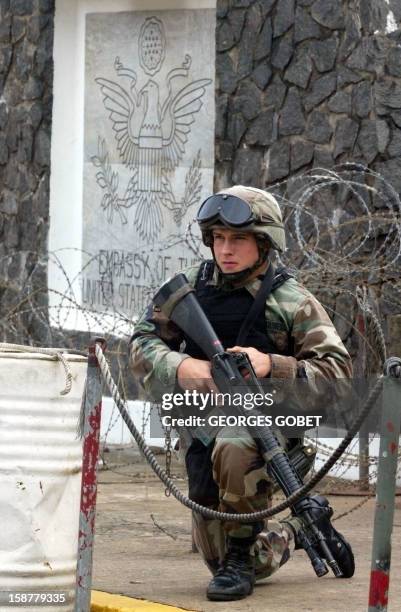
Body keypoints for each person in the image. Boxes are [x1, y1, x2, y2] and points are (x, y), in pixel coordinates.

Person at [130, 185, 355, 601]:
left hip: (269, 434)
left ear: (265, 242)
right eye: (218, 239)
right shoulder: (190, 292)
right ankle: (296, 529)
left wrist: (273, 365)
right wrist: (182, 367)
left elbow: (339, 374)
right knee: (224, 557)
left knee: (234, 451)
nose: (225, 249)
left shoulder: (291, 302)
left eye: (238, 239)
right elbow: (142, 342)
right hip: (203, 429)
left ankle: (240, 556)